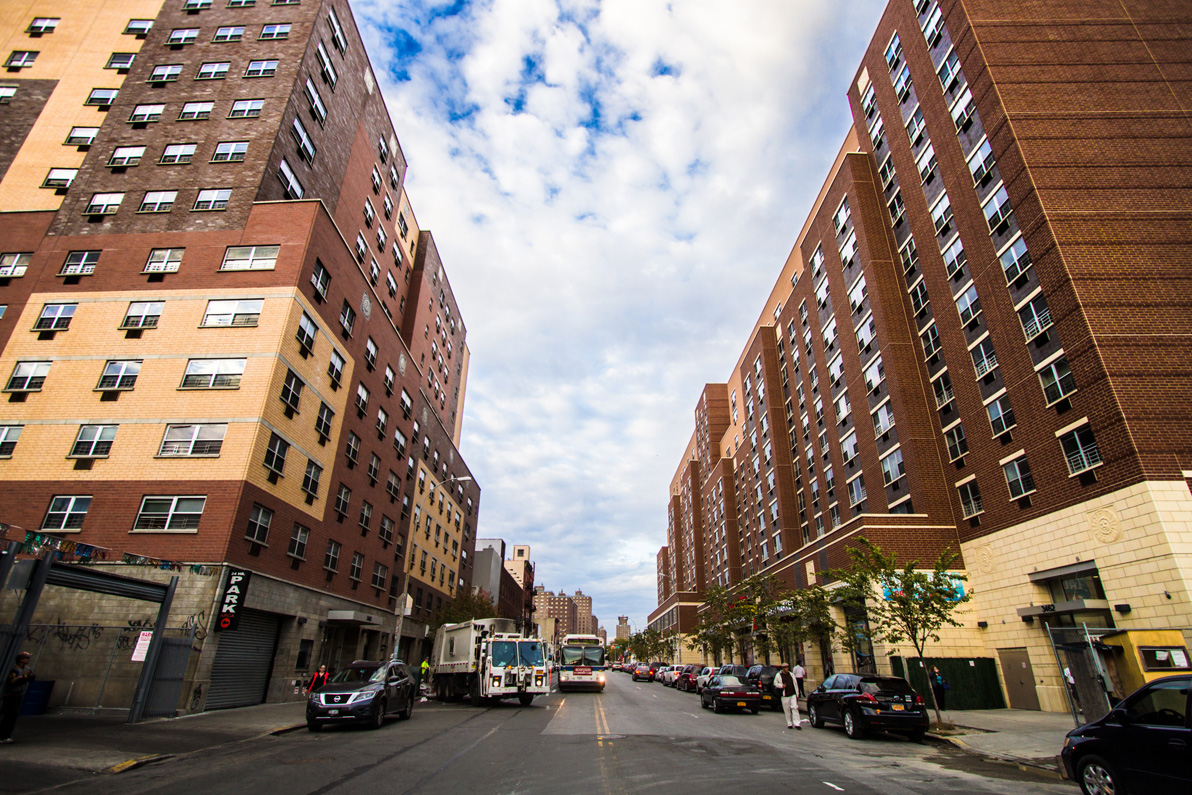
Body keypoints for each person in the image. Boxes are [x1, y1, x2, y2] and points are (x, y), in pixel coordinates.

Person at [1, 652, 36, 744]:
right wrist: (24, 678)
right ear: (20, 659)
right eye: (26, 658)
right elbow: (13, 681)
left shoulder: (27, 669)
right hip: (9, 695)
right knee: (7, 715)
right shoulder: (13, 669)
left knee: (13, 716)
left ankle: (7, 735)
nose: (28, 660)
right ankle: (2, 735)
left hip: (19, 694)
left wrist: (23, 678)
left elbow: (32, 678)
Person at [775, 662, 802, 730]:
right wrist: (781, 686)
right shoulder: (779, 675)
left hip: (792, 694)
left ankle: (797, 723)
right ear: (783, 668)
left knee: (795, 708)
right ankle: (789, 723)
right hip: (785, 695)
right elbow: (775, 683)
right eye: (785, 667)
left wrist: (797, 694)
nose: (787, 669)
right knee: (787, 710)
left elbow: (795, 684)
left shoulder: (791, 675)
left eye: (787, 667)